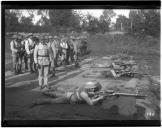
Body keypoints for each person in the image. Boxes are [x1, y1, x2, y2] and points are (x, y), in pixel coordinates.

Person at [32, 80, 105, 106]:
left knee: (55, 94)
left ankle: (45, 92)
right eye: (95, 90)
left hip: (69, 94)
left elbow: (90, 90)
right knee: (52, 101)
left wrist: (95, 94)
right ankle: (36, 102)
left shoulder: (86, 85)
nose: (94, 91)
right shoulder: (84, 94)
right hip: (68, 98)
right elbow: (91, 103)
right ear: (92, 88)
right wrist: (98, 98)